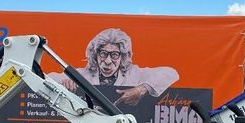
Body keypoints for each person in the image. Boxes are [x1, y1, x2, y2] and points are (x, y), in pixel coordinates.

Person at [51, 27, 179, 105]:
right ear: (95, 55)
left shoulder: (133, 73)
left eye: (114, 55)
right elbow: (48, 77)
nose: (107, 61)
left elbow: (171, 72)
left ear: (123, 57)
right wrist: (64, 82)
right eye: (103, 53)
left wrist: (142, 88)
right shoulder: (84, 74)